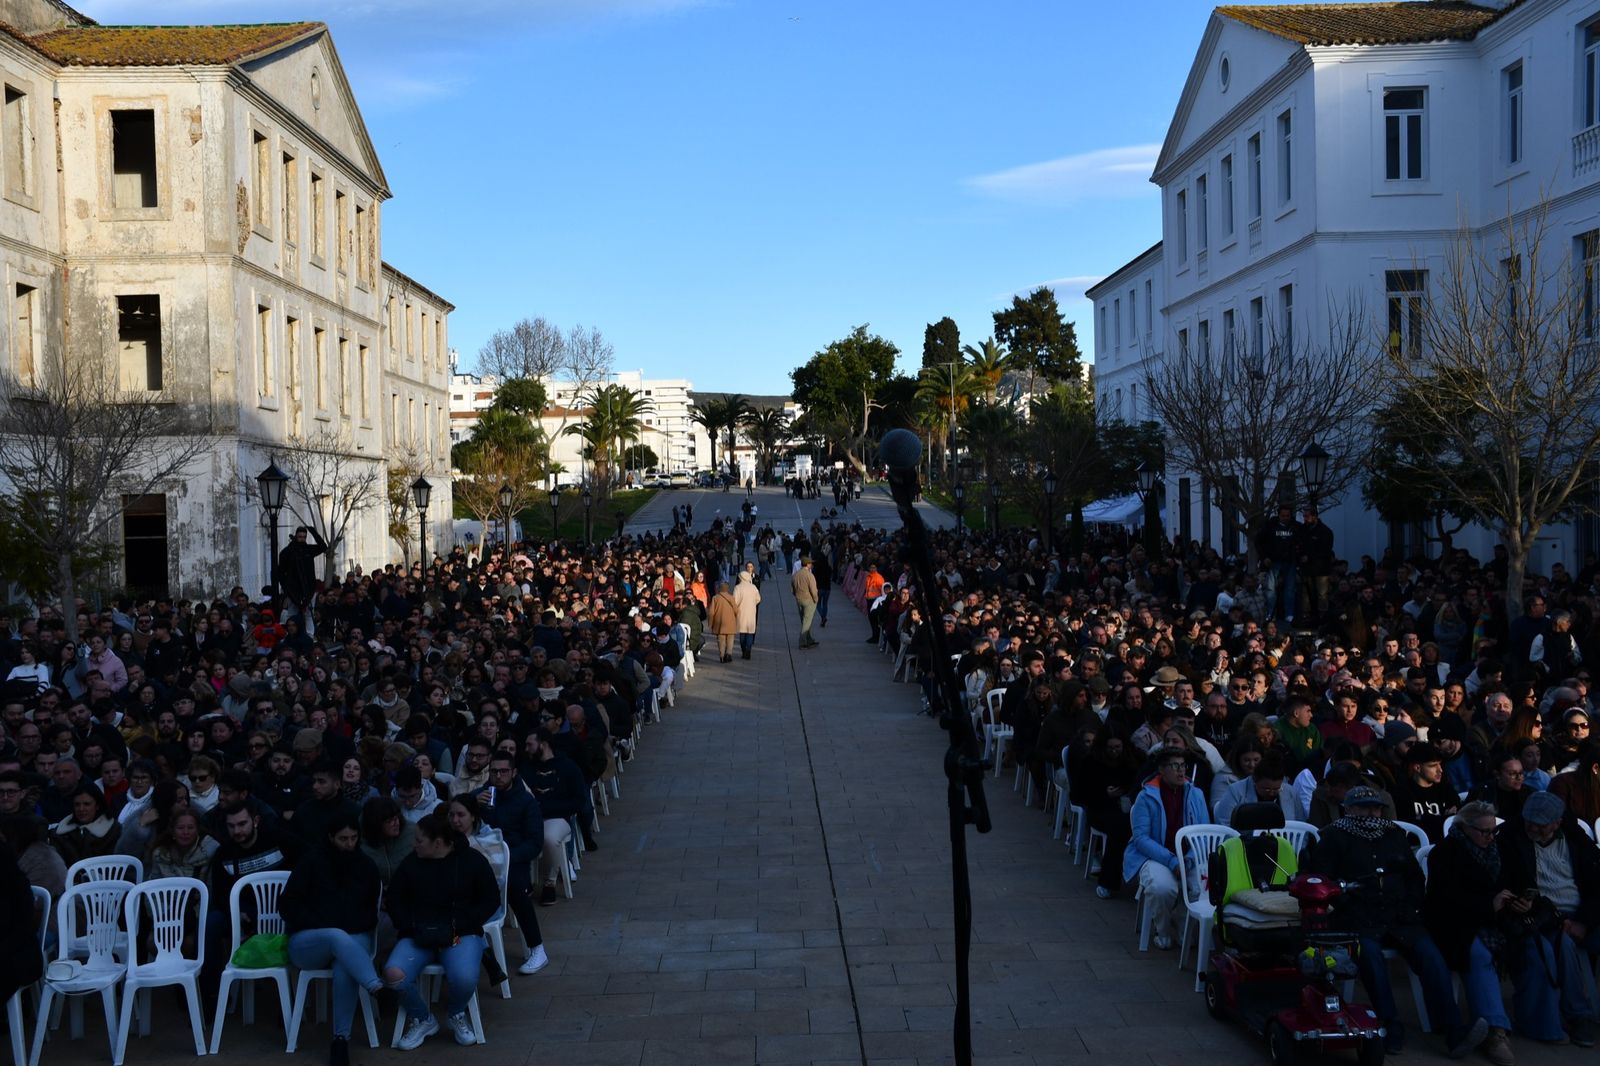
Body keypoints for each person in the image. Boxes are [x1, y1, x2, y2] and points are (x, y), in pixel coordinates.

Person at [1303, 784, 1488, 1057]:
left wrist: (1409, 906)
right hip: (1358, 917)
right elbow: (1322, 882)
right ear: (1349, 809)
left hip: (1400, 916)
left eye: (1376, 808)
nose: (1371, 813)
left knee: (1431, 957)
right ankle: (1388, 1027)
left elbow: (1414, 877)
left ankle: (1453, 1031)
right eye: (1365, 808)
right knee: (1371, 959)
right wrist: (1349, 904)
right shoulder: (1333, 837)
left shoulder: (1394, 835)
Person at [383, 811, 500, 1050]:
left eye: (419, 840)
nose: (413, 844)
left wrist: (464, 922)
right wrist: (408, 925)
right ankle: (423, 1018)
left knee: (466, 978)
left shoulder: (472, 861)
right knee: (393, 974)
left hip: (460, 933)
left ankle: (456, 1013)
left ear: (437, 843)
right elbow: (394, 899)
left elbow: (490, 899)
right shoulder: (411, 863)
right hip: (418, 934)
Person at [281, 811, 387, 1066]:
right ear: (331, 837)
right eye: (343, 839)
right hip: (309, 940)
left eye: (353, 838)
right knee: (335, 935)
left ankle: (340, 1040)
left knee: (345, 967)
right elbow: (288, 906)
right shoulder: (311, 862)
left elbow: (370, 914)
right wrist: (325, 924)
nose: (349, 844)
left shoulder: (366, 866)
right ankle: (375, 985)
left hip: (353, 938)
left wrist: (344, 927)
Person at [1498, 791, 1600, 1048]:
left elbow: (1597, 887)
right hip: (1541, 916)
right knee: (1562, 944)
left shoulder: (1577, 842)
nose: (1533, 827)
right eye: (1529, 821)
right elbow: (1510, 883)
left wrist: (1583, 921)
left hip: (1581, 913)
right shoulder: (1512, 839)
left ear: (1556, 822)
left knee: (1570, 940)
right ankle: (1579, 1015)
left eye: (1541, 823)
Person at [1423, 801, 1521, 1066]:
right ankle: (1494, 1030)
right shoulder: (1445, 853)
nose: (1490, 837)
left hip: (1498, 920)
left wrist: (1518, 901)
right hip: (1455, 924)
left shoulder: (1499, 849)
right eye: (1484, 832)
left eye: (1493, 831)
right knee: (1478, 954)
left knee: (1537, 946)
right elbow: (1443, 900)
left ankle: (1542, 1020)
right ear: (1465, 828)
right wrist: (1488, 905)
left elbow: (1515, 881)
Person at [1121, 746, 1209, 950]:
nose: (1181, 771)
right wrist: (1171, 861)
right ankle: (1163, 931)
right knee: (1162, 888)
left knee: (1199, 888)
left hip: (1188, 856)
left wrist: (1187, 859)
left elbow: (1203, 834)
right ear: (1161, 769)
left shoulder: (1196, 794)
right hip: (1156, 855)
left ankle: (1183, 925)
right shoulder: (1146, 796)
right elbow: (1141, 838)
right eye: (1175, 766)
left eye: (1183, 766)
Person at [472, 752, 550, 975]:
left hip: (512, 858)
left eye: (503, 771)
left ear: (514, 772)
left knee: (516, 888)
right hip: (480, 858)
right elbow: (455, 818)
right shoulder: (480, 797)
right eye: (494, 771)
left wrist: (507, 858)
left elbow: (534, 843)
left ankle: (537, 947)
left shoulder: (526, 801)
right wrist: (471, 804)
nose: (498, 775)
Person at [791, 557, 819, 649]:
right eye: (811, 563)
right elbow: (813, 590)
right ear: (807, 564)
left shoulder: (796, 575)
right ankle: (802, 642)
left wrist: (796, 594)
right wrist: (816, 599)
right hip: (809, 600)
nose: (812, 565)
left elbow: (792, 588)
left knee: (805, 621)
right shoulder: (809, 575)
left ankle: (809, 639)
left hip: (799, 599)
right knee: (807, 622)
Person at [708, 580, 738, 663]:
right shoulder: (731, 597)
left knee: (721, 640)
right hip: (730, 622)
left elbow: (711, 612)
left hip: (719, 623)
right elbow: (736, 610)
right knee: (730, 639)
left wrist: (710, 624)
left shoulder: (715, 598)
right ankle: (728, 654)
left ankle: (721, 655)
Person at [733, 570, 761, 660]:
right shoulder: (753, 587)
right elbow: (758, 599)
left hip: (741, 613)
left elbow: (735, 601)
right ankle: (748, 649)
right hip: (751, 612)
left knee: (742, 632)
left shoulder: (738, 588)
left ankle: (743, 650)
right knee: (750, 633)